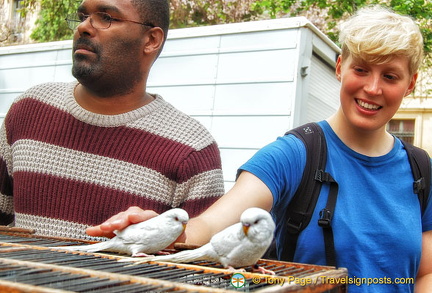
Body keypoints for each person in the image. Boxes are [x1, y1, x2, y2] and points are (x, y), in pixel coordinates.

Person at [87, 5, 432, 292]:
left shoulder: (420, 169)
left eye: (390, 76)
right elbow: (211, 226)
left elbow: (424, 272)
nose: (372, 88)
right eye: (361, 69)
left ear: (410, 83)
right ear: (340, 67)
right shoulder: (294, 154)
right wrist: (167, 232)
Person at [0, 0, 225, 241]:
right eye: (83, 15)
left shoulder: (191, 149)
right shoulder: (30, 110)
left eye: (106, 17)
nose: (84, 27)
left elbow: (200, 267)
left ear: (151, 40)